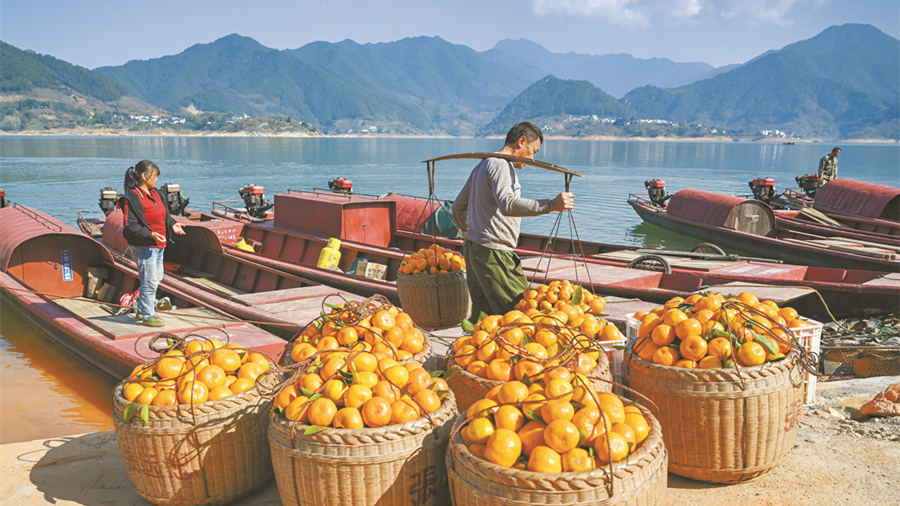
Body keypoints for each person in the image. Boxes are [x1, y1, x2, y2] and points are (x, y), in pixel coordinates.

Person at [451, 121, 574, 321]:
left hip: (474, 250)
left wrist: (475, 234)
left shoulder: (483, 164)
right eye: (533, 151)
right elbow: (507, 205)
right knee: (523, 313)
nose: (532, 158)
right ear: (521, 141)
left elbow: (457, 208)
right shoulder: (501, 165)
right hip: (494, 255)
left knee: (484, 319)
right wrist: (551, 204)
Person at [119, 160, 185, 327]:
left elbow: (164, 214)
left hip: (159, 246)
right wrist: (150, 234)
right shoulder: (131, 197)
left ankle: (142, 309)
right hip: (145, 247)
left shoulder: (156, 193)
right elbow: (130, 226)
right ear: (144, 176)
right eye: (154, 176)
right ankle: (148, 316)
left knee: (157, 278)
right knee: (149, 282)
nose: (156, 179)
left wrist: (173, 224)